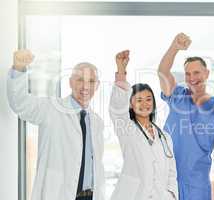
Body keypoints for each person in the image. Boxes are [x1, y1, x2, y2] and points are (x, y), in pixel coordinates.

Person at [7, 50, 105, 200]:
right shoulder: (51, 109)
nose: (85, 87)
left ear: (97, 85)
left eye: (91, 81)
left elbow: (95, 165)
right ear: (70, 82)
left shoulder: (97, 122)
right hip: (58, 194)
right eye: (80, 80)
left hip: (91, 196)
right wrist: (19, 69)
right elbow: (20, 103)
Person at [158, 33, 214, 200]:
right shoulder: (177, 96)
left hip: (197, 187)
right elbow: (163, 71)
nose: (192, 78)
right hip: (167, 182)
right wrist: (174, 47)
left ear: (207, 73)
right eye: (187, 74)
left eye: (196, 73)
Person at [109, 50, 178, 200]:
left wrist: (171, 195)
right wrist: (121, 70)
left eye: (148, 99)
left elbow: (171, 172)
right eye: (139, 100)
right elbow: (117, 109)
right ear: (130, 104)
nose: (145, 104)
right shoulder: (126, 128)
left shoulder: (164, 137)